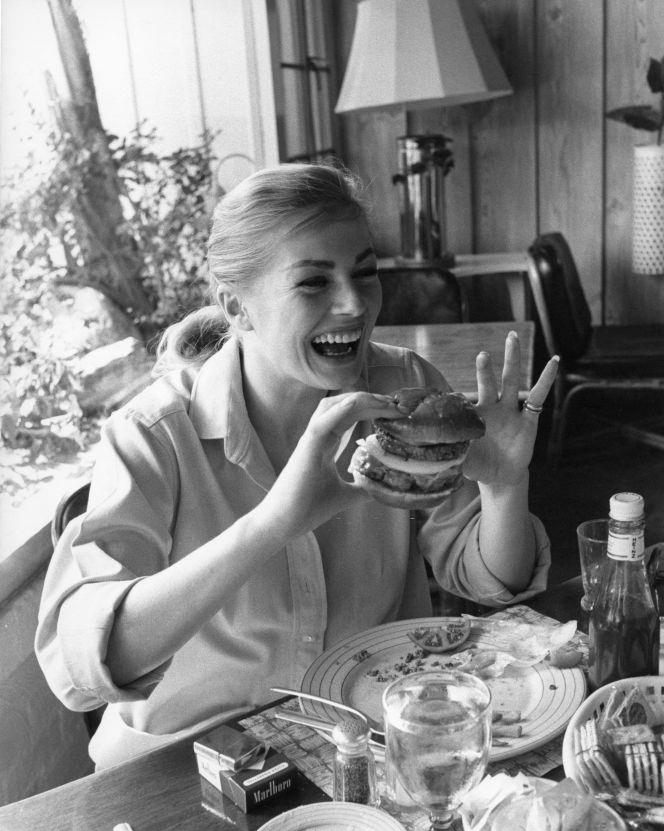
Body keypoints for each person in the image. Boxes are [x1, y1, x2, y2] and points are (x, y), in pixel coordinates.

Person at [35, 162, 558, 769]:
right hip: (190, 765)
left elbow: (487, 580)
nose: (354, 303)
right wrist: (272, 524)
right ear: (238, 306)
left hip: (368, 742)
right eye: (313, 283)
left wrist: (504, 485)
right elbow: (78, 667)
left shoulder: (408, 390)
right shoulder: (152, 436)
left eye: (366, 273)